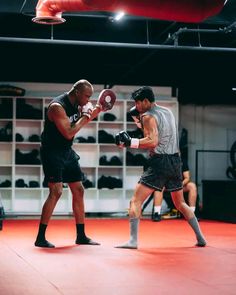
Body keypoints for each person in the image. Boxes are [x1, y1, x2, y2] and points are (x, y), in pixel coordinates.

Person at [115, 86, 206, 249]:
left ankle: (133, 241)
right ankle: (201, 238)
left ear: (145, 101)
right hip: (175, 162)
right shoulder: (167, 111)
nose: (136, 106)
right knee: (180, 204)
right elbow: (157, 133)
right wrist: (137, 121)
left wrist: (130, 142)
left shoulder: (148, 116)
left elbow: (152, 140)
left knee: (135, 200)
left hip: (159, 163)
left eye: (138, 102)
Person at [34, 79, 116, 248]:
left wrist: (94, 111)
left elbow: (77, 126)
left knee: (78, 190)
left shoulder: (79, 104)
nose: (88, 100)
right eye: (86, 96)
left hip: (67, 152)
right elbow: (69, 132)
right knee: (56, 192)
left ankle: (81, 235)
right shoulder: (57, 106)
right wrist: (87, 116)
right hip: (52, 152)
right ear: (77, 92)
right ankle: (40, 237)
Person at [152, 156, 198, 221]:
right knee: (158, 186)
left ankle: (192, 214)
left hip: (180, 186)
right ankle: (157, 213)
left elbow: (187, 177)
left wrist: (179, 184)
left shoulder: (183, 162)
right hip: (167, 186)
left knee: (192, 186)